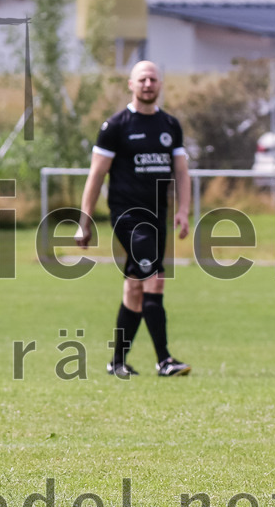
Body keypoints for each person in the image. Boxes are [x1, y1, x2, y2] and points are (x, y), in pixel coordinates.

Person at [75, 60, 192, 378]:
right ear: (131, 84)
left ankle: (117, 362)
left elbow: (182, 172)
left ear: (160, 84)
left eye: (153, 79)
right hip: (127, 218)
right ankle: (164, 360)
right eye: (142, 79)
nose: (148, 84)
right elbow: (96, 175)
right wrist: (85, 221)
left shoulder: (170, 125)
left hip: (158, 218)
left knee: (135, 287)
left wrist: (183, 210)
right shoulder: (115, 126)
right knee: (155, 278)